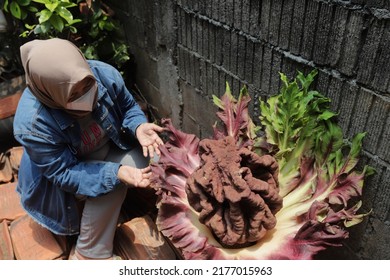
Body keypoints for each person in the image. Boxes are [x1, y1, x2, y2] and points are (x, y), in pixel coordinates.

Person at [13, 38, 164, 260]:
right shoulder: (33, 124)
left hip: (105, 149)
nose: (86, 95)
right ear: (49, 93)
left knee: (155, 156)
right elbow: (64, 173)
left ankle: (108, 206)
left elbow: (129, 107)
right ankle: (89, 254)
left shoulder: (102, 74)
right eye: (73, 95)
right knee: (112, 182)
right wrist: (116, 173)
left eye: (88, 85)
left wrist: (138, 126)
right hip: (62, 184)